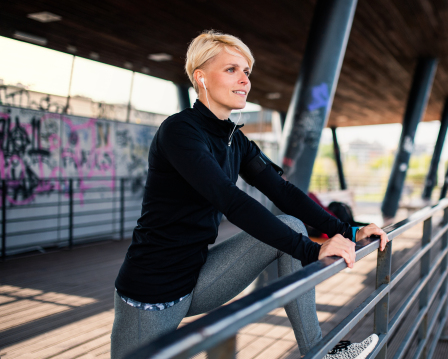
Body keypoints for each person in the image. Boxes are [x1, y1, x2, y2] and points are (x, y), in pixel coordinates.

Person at [111, 30, 389, 359]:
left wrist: (349, 229)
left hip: (198, 277)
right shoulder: (180, 131)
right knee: (294, 237)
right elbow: (230, 200)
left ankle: (320, 353)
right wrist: (310, 252)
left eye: (246, 72)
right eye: (231, 70)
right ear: (200, 77)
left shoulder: (234, 140)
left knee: (292, 223)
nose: (244, 80)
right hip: (150, 294)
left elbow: (282, 191)